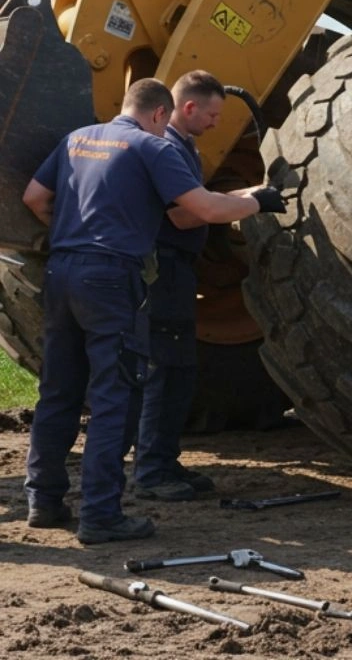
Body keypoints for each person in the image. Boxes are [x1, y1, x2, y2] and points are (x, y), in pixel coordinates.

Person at [21, 78, 285, 544]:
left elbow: (35, 199)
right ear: (163, 114)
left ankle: (43, 501)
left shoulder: (77, 138)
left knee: (58, 392)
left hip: (62, 273)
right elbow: (200, 209)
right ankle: (101, 515)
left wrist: (74, 233)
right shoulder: (153, 148)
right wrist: (256, 199)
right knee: (113, 398)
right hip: (111, 280)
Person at [133, 71, 236, 502]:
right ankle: (153, 471)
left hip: (177, 269)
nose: (216, 123)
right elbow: (180, 216)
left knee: (179, 369)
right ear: (188, 108)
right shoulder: (167, 148)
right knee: (167, 367)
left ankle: (164, 460)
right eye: (212, 114)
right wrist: (243, 203)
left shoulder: (184, 146)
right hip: (166, 270)